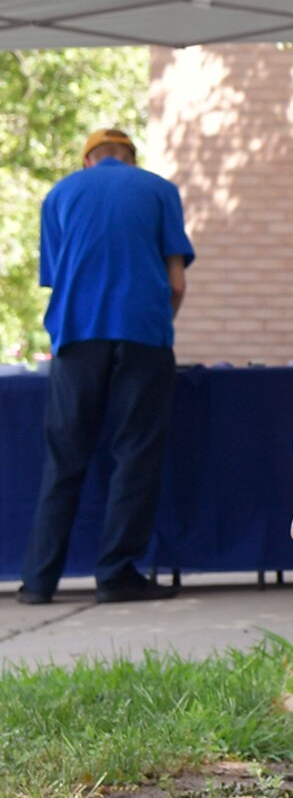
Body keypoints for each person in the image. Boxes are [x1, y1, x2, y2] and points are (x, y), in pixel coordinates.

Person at [16, 128, 193, 606]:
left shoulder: (59, 194)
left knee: (65, 458)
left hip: (78, 336)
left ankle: (38, 582)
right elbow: (176, 283)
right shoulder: (160, 190)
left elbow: (56, 280)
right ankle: (116, 575)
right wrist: (156, 324)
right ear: (130, 160)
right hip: (143, 336)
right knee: (135, 454)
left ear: (89, 159)